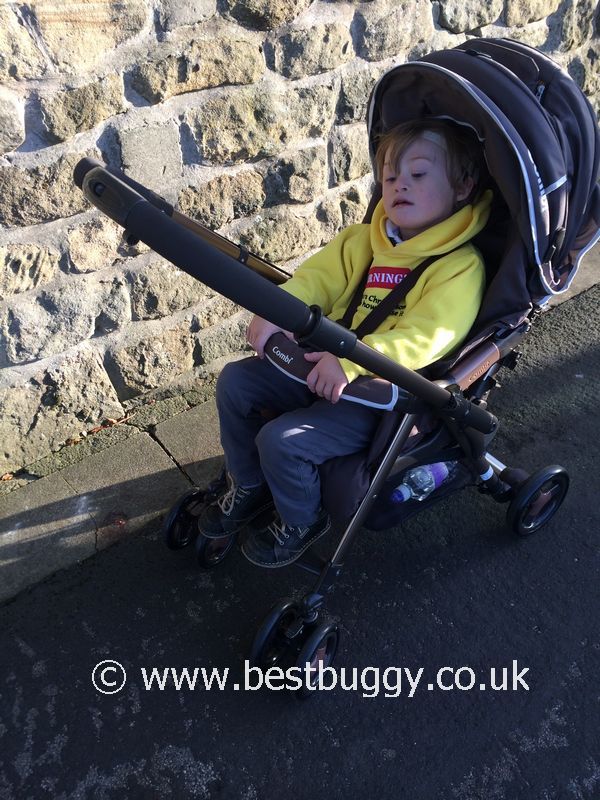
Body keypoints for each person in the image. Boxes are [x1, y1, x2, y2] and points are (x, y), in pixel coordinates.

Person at [198, 118, 492, 568]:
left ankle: (302, 520)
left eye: (418, 174)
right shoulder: (361, 241)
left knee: (282, 440)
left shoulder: (459, 267)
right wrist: (275, 310)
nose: (400, 185)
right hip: (323, 363)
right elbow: (315, 281)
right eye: (390, 177)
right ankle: (249, 482)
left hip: (381, 397)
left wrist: (353, 361)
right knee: (235, 382)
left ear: (463, 187)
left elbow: (426, 337)